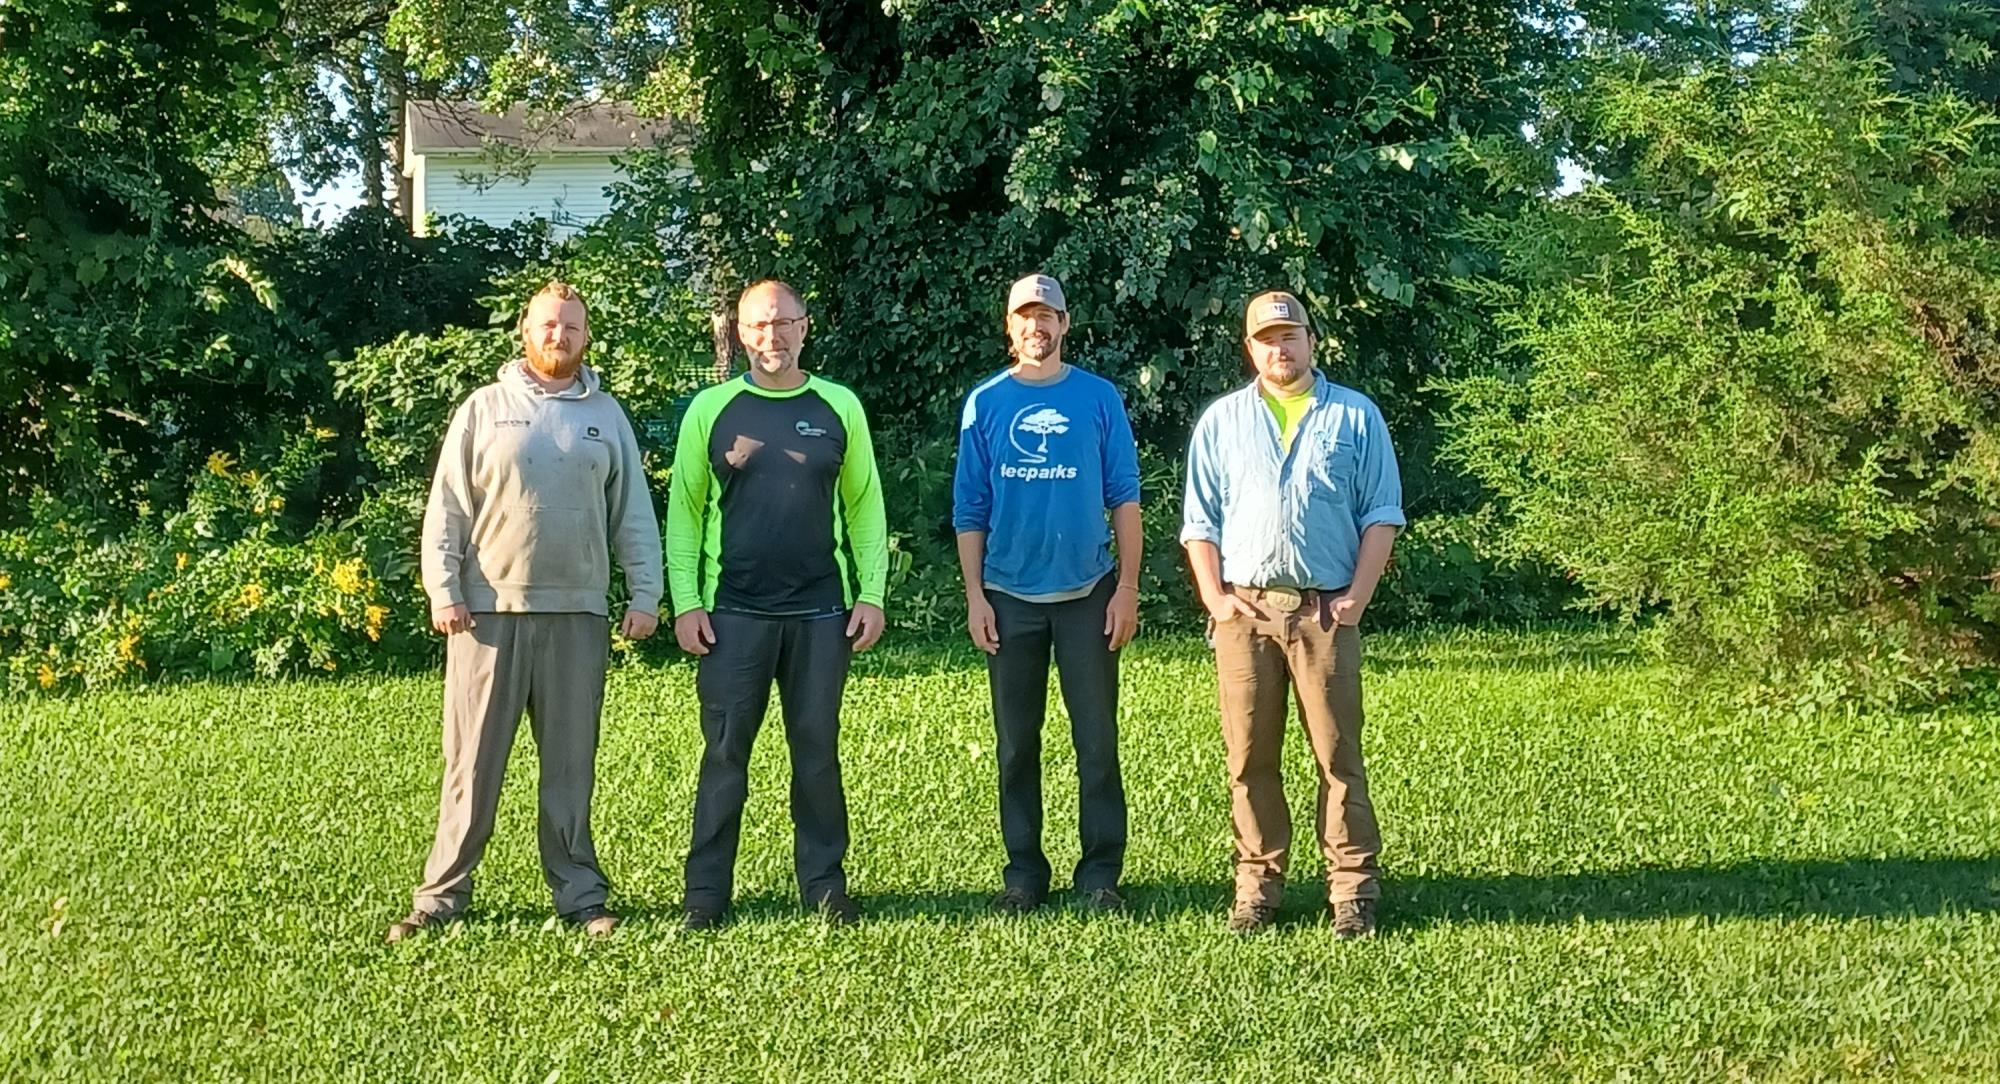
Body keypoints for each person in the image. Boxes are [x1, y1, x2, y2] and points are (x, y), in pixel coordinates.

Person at [387, 281, 663, 943]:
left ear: (586, 337)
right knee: (472, 767)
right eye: (547, 325)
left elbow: (633, 515)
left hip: (578, 618)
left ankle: (581, 897)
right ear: (524, 331)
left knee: (571, 768)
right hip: (488, 617)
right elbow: (447, 508)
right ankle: (440, 898)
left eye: (570, 327)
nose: (558, 337)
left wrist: (645, 593)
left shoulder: (607, 417)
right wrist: (443, 589)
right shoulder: (484, 410)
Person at [1180, 290, 1405, 937]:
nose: (1280, 348)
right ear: (1249, 348)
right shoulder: (1222, 423)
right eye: (1266, 338)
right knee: (1249, 759)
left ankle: (1352, 891)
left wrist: (1356, 598)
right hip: (1245, 615)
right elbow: (1200, 522)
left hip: (1324, 614)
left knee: (1338, 755)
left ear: (1312, 339)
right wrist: (1216, 600)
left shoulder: (1355, 417)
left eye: (1291, 335)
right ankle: (1257, 887)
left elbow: (1382, 514)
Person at [668, 279, 888, 929]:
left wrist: (870, 594)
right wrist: (686, 602)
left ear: (805, 327)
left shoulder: (838, 406)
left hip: (822, 612)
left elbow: (866, 505)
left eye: (784, 323)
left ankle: (824, 885)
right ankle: (706, 895)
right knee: (725, 755)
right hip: (732, 614)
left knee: (816, 752)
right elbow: (683, 512)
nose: (772, 336)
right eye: (759, 325)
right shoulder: (712, 409)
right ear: (740, 333)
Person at [952, 273, 1141, 914]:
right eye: (1025, 317)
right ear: (1010, 328)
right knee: (1015, 743)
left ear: (1065, 324)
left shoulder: (1098, 398)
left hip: (1089, 592)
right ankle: (1024, 873)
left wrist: (1129, 589)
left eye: (1048, 316)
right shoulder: (985, 403)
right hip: (1008, 595)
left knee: (1096, 739)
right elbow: (969, 507)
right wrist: (976, 596)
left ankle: (1100, 874)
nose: (1037, 327)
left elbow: (1125, 497)